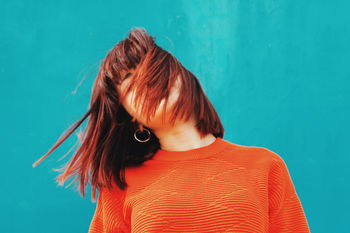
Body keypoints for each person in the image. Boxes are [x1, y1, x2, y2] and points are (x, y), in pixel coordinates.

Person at [33, 27, 310, 232]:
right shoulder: (121, 183)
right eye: (132, 85)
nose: (148, 84)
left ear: (183, 78)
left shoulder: (265, 166)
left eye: (154, 72)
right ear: (134, 119)